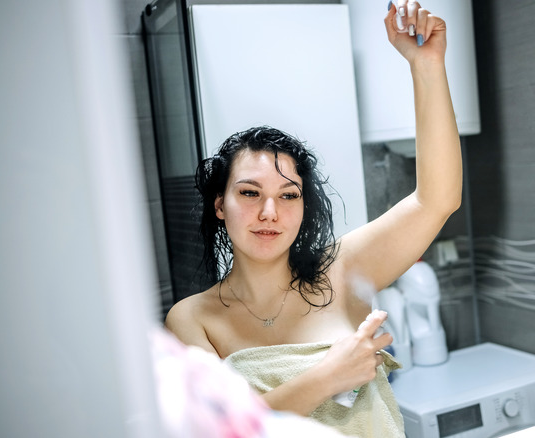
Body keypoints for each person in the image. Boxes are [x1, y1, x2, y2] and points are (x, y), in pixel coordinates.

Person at [165, 1, 461, 436]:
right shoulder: (192, 319)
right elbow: (222, 432)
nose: (270, 212)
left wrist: (428, 64)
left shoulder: (339, 271)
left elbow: (437, 200)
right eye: (250, 193)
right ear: (219, 205)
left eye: (289, 195)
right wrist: (329, 377)